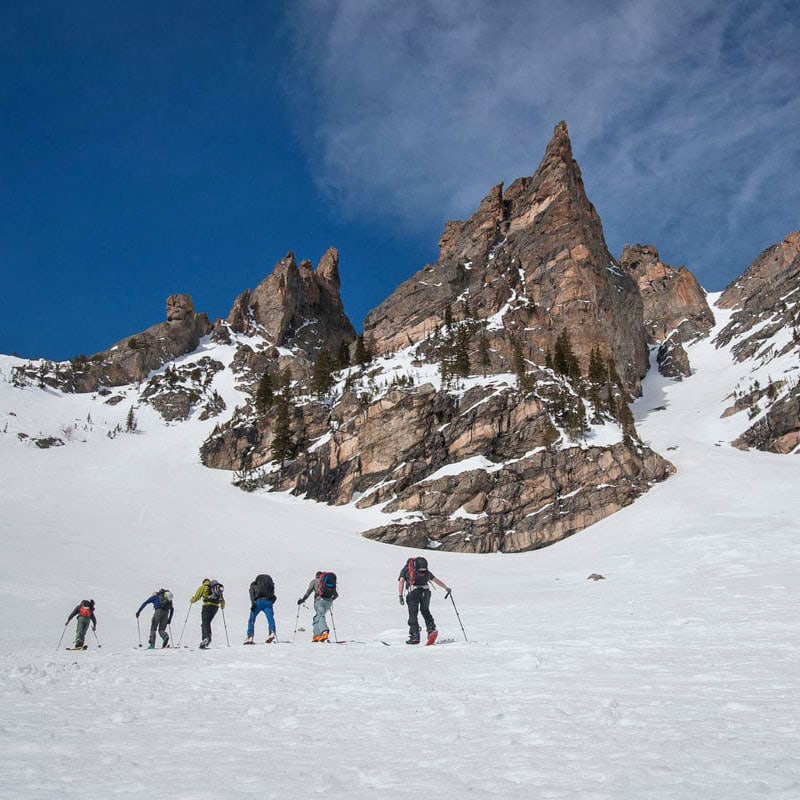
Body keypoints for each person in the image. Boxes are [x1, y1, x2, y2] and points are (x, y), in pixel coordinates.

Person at [398, 556, 450, 645]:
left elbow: (401, 581)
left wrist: (400, 595)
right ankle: (431, 629)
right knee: (425, 611)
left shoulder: (406, 569)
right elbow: (435, 580)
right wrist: (446, 588)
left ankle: (415, 636)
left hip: (413, 592)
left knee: (413, 614)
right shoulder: (425, 571)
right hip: (425, 592)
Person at [297, 571, 337, 642]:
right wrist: (330, 600)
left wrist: (303, 599)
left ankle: (324, 631)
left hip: (320, 601)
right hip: (329, 603)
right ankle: (317, 635)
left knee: (320, 616)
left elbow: (308, 592)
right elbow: (336, 595)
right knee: (316, 617)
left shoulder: (314, 581)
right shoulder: (327, 582)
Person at [189, 578, 225, 649]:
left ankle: (206, 638)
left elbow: (197, 597)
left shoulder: (203, 587)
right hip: (215, 607)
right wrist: (222, 606)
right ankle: (208, 637)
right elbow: (222, 600)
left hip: (207, 606)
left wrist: (192, 600)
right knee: (207, 622)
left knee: (205, 623)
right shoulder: (217, 588)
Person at [244, 574, 277, 644]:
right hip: (268, 602)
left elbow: (251, 593)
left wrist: (253, 603)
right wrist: (270, 603)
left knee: (251, 619)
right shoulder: (269, 586)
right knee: (270, 618)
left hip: (258, 602)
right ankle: (272, 632)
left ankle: (250, 636)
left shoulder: (254, 585)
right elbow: (274, 597)